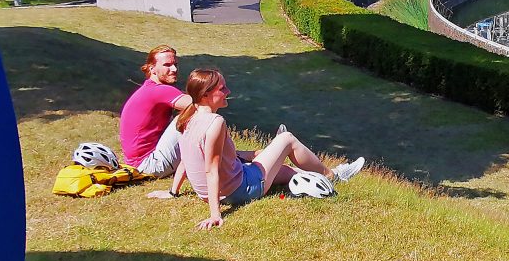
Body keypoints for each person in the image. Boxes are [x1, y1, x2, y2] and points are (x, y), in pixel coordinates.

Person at [152, 68, 364, 230]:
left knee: (286, 172)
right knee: (287, 139)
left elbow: (188, 158)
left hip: (219, 188)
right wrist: (215, 214)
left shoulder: (186, 117)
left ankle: (306, 176)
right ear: (206, 95)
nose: (228, 92)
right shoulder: (215, 122)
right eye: (222, 89)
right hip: (240, 190)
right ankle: (333, 175)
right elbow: (211, 169)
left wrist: (173, 191)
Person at [119, 45, 192, 177]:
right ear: (152, 69)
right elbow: (202, 104)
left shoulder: (150, 89)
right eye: (167, 65)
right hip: (148, 165)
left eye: (175, 64)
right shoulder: (160, 91)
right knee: (192, 115)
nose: (174, 69)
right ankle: (227, 158)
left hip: (136, 164)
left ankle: (229, 156)